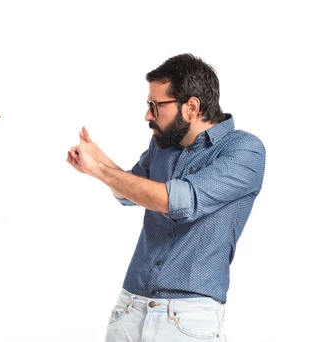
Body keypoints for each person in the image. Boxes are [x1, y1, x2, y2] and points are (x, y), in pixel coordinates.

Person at [67, 53, 265, 341]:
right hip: (130, 307)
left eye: (155, 106)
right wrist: (99, 163)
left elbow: (177, 201)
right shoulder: (164, 145)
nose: (148, 115)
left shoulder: (244, 151)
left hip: (188, 319)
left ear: (191, 107)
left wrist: (101, 170)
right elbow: (132, 192)